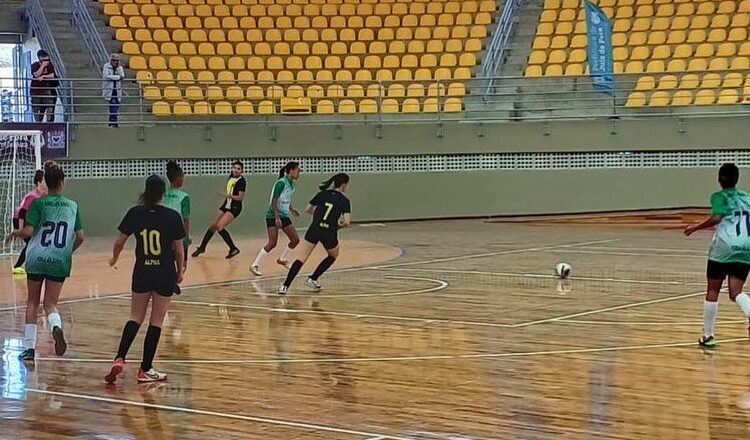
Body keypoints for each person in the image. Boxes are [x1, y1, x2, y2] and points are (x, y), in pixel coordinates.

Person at [105, 175, 186, 383]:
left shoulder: (135, 213)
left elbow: (119, 241)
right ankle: (145, 369)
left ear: (145, 192)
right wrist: (180, 271)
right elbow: (178, 250)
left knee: (135, 317)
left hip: (142, 271)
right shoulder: (172, 216)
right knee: (156, 321)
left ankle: (120, 357)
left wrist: (114, 258)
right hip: (164, 272)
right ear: (163, 193)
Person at [9, 161, 84, 362]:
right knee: (50, 304)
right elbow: (81, 236)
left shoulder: (37, 203)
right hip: (59, 259)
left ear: (46, 182)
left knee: (32, 302)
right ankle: (56, 327)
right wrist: (67, 252)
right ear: (62, 182)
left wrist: (16, 232)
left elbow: (29, 231)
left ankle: (29, 349)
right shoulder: (73, 206)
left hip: (36, 257)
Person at [685, 163, 750, 347]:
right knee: (735, 292)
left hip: (723, 248)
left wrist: (695, 228)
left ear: (720, 178)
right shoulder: (748, 198)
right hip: (746, 248)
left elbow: (717, 217)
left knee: (713, 291)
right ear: (737, 179)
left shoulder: (719, 197)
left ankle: (708, 336)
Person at [278, 173, 351, 295]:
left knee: (301, 259)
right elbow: (347, 222)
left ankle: (285, 286)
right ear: (343, 185)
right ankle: (313, 278)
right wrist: (337, 225)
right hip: (329, 232)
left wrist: (319, 216)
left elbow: (308, 209)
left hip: (315, 229)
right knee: (332, 255)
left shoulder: (322, 194)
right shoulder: (344, 200)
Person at [250, 161, 302, 276]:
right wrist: (276, 217)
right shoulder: (281, 183)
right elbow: (274, 200)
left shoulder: (292, 184)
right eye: (298, 170)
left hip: (284, 215)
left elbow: (285, 199)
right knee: (272, 243)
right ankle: (254, 265)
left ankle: (282, 259)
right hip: (273, 215)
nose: (299, 173)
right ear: (291, 171)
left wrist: (292, 209)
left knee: (295, 240)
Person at [192, 160, 245, 259]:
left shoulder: (241, 181)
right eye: (234, 168)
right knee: (213, 225)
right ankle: (202, 247)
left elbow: (241, 198)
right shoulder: (230, 178)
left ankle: (233, 248)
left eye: (238, 169)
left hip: (235, 208)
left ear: (242, 171)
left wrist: (227, 195)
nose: (236, 170)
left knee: (220, 227)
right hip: (226, 205)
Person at [11, 170, 47, 274]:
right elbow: (22, 212)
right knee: (32, 242)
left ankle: (26, 265)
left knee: (34, 243)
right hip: (19, 219)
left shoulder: (42, 196)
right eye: (45, 180)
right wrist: (21, 230)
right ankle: (17, 266)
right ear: (39, 183)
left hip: (27, 220)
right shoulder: (33, 196)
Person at [162, 161, 191, 265]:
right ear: (178, 178)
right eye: (182, 177)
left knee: (166, 264)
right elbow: (185, 219)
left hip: (163, 234)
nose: (183, 179)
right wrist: (186, 239)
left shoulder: (162, 194)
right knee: (181, 267)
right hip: (177, 235)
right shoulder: (184, 196)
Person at [30, 50, 57, 123]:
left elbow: (52, 75)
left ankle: (49, 125)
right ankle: (39, 126)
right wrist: (42, 66)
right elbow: (36, 75)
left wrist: (44, 77)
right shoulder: (34, 65)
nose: (47, 61)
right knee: (38, 112)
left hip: (46, 91)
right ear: (40, 58)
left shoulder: (50, 65)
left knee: (50, 109)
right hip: (36, 92)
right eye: (45, 59)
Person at [102, 53, 125, 128]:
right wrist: (117, 77)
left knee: (115, 106)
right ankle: (113, 122)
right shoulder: (106, 66)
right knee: (113, 105)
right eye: (114, 60)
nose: (116, 62)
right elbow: (106, 76)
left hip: (117, 90)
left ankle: (112, 122)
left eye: (117, 61)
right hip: (110, 90)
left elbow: (122, 76)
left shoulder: (120, 68)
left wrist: (116, 77)